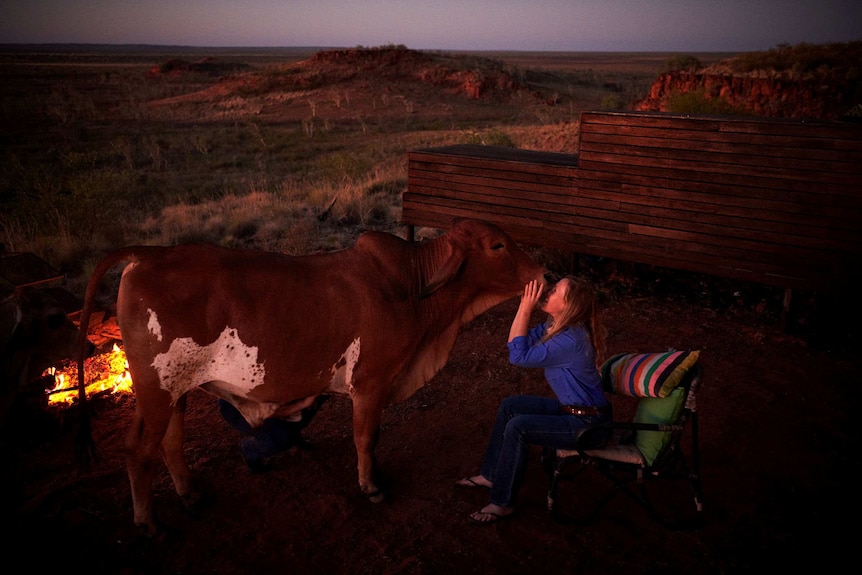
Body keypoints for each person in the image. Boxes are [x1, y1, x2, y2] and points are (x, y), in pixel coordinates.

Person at [456, 276, 611, 524]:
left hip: (589, 426)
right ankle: (492, 474)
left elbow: (518, 357)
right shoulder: (557, 327)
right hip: (572, 412)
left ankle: (502, 502)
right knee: (511, 406)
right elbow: (518, 342)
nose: (548, 291)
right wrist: (524, 308)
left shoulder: (569, 340)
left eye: (555, 290)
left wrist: (525, 308)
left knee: (519, 427)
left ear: (567, 305)